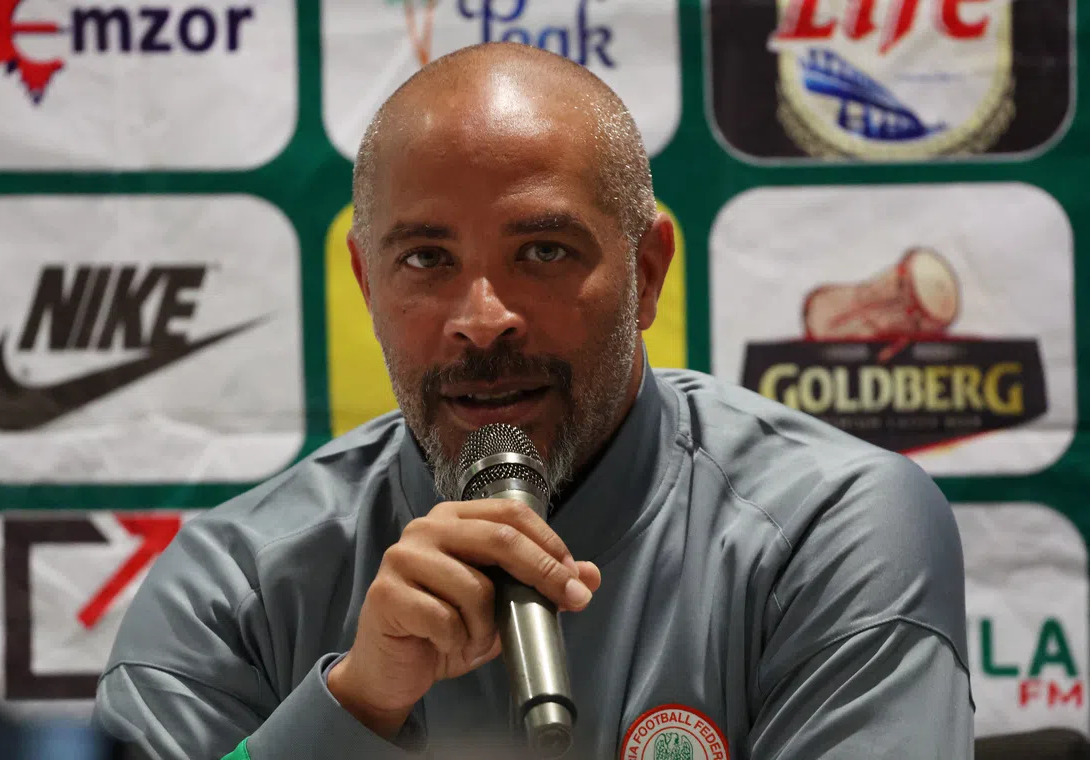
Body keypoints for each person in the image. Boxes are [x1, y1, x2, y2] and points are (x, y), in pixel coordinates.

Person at [93, 42, 974, 760]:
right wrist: (354, 707)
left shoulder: (828, 528)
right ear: (367, 284)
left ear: (648, 270)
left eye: (544, 251)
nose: (483, 320)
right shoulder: (233, 583)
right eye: (426, 260)